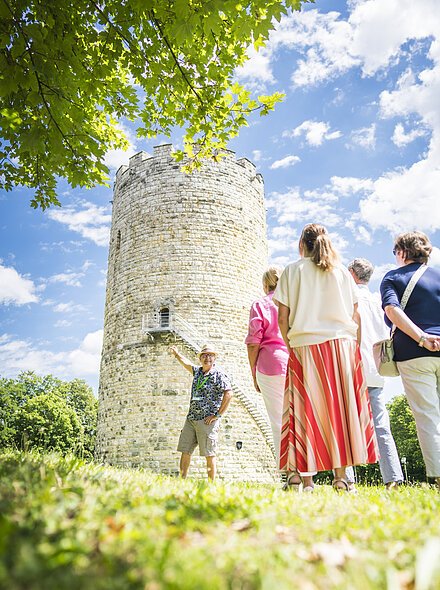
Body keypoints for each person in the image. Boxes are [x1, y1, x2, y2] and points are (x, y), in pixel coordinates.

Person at [273, 223, 378, 492]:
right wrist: (354, 348)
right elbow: (356, 316)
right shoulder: (342, 272)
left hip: (305, 344)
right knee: (338, 412)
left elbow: (282, 318)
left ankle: (305, 480)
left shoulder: (292, 270)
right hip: (341, 345)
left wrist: (290, 343)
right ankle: (341, 478)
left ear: (302, 243)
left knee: (306, 410)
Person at [380, 231, 440, 490]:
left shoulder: (393, 278)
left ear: (402, 252)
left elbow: (392, 310)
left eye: (395, 252)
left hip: (414, 353)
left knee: (427, 415)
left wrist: (421, 337)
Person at [348, 258, 404, 490]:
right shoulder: (378, 301)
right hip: (375, 367)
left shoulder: (348, 300)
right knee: (381, 425)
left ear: (351, 274)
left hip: (352, 365)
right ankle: (393, 478)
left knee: (346, 422)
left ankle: (346, 479)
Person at [245, 267, 289, 467]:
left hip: (269, 366)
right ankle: (306, 474)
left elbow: (254, 343)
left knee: (277, 422)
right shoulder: (291, 303)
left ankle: (288, 473)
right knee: (297, 418)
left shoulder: (260, 304)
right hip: (293, 363)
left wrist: (253, 372)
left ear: (265, 284)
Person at [170, 344, 233, 481]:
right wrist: (176, 354)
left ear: (214, 358)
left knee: (209, 453)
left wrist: (217, 415)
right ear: (200, 358)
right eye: (204, 355)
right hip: (191, 418)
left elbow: (228, 394)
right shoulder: (198, 372)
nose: (207, 358)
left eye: (210, 355)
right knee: (185, 450)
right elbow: (186, 363)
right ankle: (182, 480)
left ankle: (211, 484)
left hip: (207, 420)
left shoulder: (219, 375)